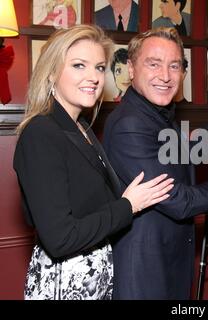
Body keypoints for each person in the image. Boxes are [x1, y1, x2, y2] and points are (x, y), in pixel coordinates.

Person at [13, 25, 174, 300]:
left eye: (100, 68)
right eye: (79, 65)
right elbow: (61, 238)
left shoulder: (83, 128)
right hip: (64, 286)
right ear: (51, 72)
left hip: (94, 279)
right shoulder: (41, 132)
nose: (94, 77)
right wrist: (129, 205)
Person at [102, 27, 208, 299]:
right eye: (154, 64)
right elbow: (178, 201)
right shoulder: (130, 124)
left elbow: (178, 154)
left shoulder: (155, 112)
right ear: (130, 69)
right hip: (145, 269)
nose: (165, 76)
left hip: (167, 259)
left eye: (174, 66)